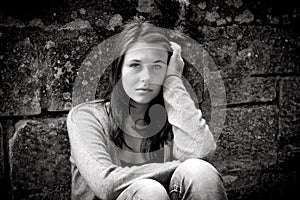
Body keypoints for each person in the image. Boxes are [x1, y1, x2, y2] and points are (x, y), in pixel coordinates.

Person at [67, 21, 228, 200]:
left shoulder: (174, 113)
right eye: (135, 65)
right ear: (119, 70)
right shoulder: (86, 117)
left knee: (200, 171)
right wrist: (179, 165)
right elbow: (107, 184)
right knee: (149, 190)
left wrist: (173, 79)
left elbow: (201, 154)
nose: (146, 78)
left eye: (157, 67)